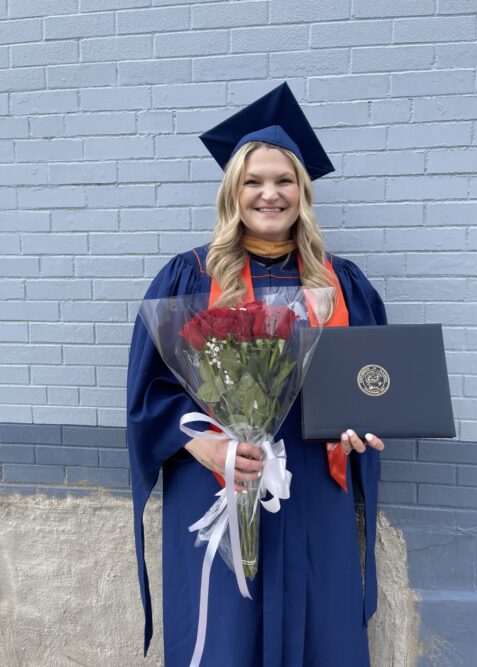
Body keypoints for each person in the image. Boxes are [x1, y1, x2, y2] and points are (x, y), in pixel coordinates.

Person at [127, 82, 387, 667]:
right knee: (225, 628)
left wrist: (362, 427)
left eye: (284, 181)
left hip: (314, 484)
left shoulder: (342, 284)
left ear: (303, 192)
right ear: (233, 191)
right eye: (253, 181)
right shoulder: (188, 277)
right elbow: (150, 394)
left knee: (318, 622)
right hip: (218, 481)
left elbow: (372, 382)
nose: (270, 194)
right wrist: (208, 448)